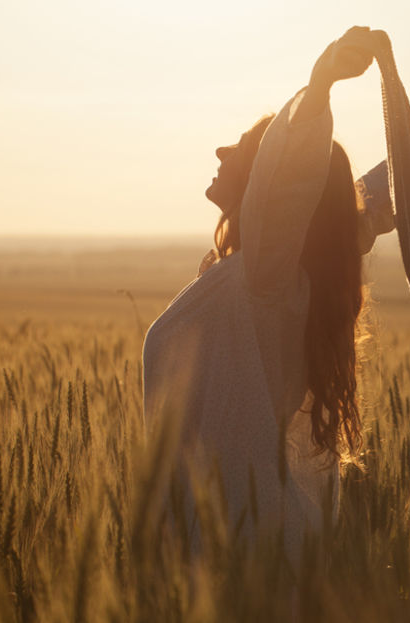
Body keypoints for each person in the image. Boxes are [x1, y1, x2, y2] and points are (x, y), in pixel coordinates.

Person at [141, 27, 388, 566]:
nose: (221, 149)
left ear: (270, 184)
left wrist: (319, 88)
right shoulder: (280, 279)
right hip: (242, 539)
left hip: (241, 552)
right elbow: (347, 220)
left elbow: (303, 182)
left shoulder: (268, 279)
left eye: (248, 147)